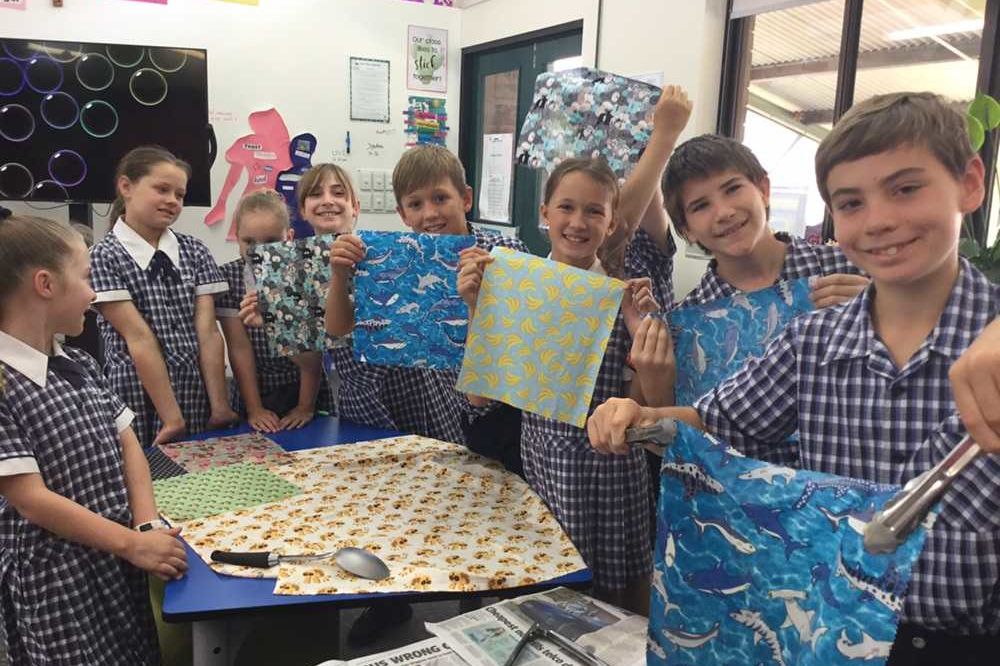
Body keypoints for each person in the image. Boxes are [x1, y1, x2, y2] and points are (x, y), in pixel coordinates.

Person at [587, 91, 1000, 664]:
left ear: (970, 183)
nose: (880, 220)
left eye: (906, 188)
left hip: (964, 642)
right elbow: (714, 420)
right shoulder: (811, 341)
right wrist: (642, 416)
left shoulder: (988, 340)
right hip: (830, 624)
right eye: (851, 203)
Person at [460, 157, 672, 613]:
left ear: (613, 221)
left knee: (624, 596)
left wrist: (642, 335)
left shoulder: (625, 295)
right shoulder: (515, 285)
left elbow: (648, 404)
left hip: (616, 469)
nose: (578, 222)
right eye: (566, 208)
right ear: (545, 213)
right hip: (544, 469)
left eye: (595, 211)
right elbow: (481, 396)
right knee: (548, 596)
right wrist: (480, 306)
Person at [0, 214, 187, 664]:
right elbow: (31, 500)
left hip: (117, 555)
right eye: (85, 279)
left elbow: (128, 445)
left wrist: (144, 525)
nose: (93, 293)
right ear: (45, 284)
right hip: (57, 577)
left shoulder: (80, 364)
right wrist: (130, 543)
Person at [90, 146, 236, 447]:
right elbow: (139, 338)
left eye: (179, 195)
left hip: (196, 391)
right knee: (149, 481)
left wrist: (220, 405)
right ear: (126, 187)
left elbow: (208, 332)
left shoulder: (194, 251)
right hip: (138, 394)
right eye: (162, 189)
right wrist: (172, 418)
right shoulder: (103, 257)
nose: (172, 201)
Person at [217, 188, 331, 432]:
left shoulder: (304, 273)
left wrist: (305, 407)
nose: (258, 251)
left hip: (304, 386)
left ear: (289, 237)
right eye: (249, 241)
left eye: (270, 242)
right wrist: (255, 408)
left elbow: (313, 350)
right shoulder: (229, 277)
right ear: (237, 237)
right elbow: (239, 348)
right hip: (254, 389)